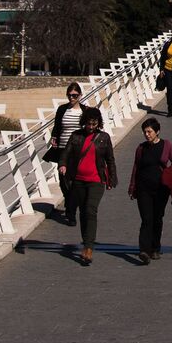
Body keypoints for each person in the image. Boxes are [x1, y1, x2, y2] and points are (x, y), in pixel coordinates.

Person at [59, 108, 118, 266]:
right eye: (89, 123)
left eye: (94, 123)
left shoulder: (103, 138)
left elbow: (110, 159)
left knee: (91, 210)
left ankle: (89, 248)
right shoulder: (76, 136)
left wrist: (111, 178)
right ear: (84, 122)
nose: (91, 126)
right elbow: (66, 152)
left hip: (96, 180)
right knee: (83, 212)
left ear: (98, 123)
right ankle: (86, 242)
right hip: (78, 180)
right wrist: (63, 165)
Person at [128, 118, 172, 264]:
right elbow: (136, 168)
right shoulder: (141, 148)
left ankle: (155, 247)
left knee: (157, 218)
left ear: (157, 132)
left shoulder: (167, 145)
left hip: (161, 189)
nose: (147, 134)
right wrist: (133, 186)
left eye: (149, 131)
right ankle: (144, 250)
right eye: (145, 132)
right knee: (146, 219)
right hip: (143, 188)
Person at [49, 82, 90, 224]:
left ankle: (71, 213)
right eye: (69, 95)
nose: (72, 98)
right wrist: (54, 137)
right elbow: (57, 126)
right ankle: (70, 203)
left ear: (80, 95)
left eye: (74, 95)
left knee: (76, 181)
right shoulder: (62, 109)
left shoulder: (85, 111)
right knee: (63, 179)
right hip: (62, 149)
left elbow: (89, 129)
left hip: (78, 150)